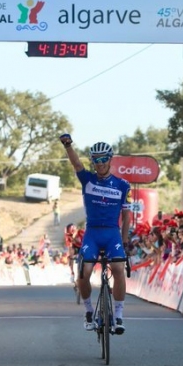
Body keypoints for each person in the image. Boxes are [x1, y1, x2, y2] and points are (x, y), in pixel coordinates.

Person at [60, 134, 131, 334]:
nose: (100, 164)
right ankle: (89, 311)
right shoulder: (87, 179)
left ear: (110, 159)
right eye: (96, 160)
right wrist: (68, 146)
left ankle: (118, 315)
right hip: (92, 232)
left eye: (103, 159)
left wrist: (124, 241)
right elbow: (76, 164)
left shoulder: (123, 185)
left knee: (118, 267)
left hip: (112, 233)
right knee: (85, 273)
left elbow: (126, 217)